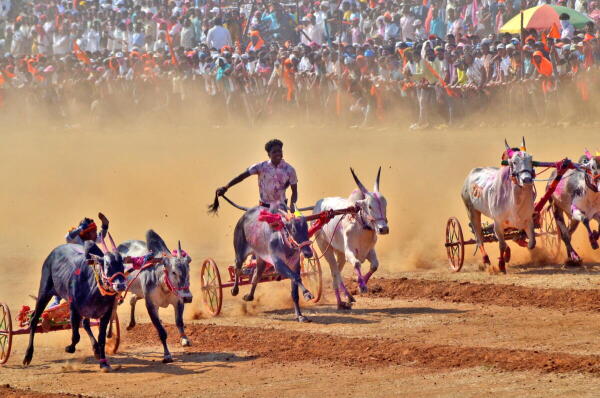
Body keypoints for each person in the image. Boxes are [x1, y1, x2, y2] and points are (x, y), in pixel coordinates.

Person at [215, 139, 298, 212]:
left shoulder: (290, 170)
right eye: (274, 152)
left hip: (281, 210)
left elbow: (294, 192)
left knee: (296, 226)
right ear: (269, 154)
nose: (278, 154)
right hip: (263, 209)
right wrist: (226, 187)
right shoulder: (260, 167)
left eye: (279, 151)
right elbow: (241, 177)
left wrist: (292, 204)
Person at [49, 213, 110, 307]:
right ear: (86, 233)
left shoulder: (92, 239)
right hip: (72, 266)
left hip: (87, 264)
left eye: (95, 231)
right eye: (93, 231)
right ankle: (57, 300)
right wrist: (81, 228)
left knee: (102, 267)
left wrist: (105, 226)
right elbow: (67, 237)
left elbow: (101, 237)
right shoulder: (75, 239)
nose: (95, 234)